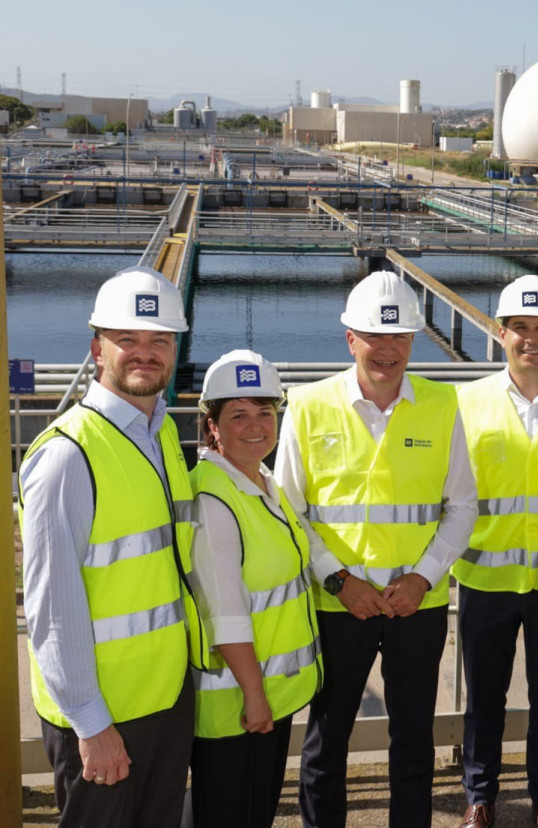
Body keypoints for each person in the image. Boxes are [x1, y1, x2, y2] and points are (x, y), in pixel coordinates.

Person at [274, 270, 479, 828]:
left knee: (413, 742)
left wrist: (425, 577)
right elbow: (291, 514)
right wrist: (339, 582)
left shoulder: (442, 405)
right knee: (325, 743)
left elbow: (461, 506)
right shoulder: (310, 406)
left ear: (412, 341)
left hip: (419, 605)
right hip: (339, 605)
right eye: (374, 336)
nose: (387, 350)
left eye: (399, 338)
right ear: (350, 339)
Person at [19, 266, 204, 827]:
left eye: (159, 341)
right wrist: (91, 723)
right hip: (103, 715)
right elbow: (52, 611)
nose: (144, 353)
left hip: (166, 696)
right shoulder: (67, 457)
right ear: (98, 348)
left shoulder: (164, 433)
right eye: (128, 340)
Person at [454, 276, 538, 828]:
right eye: (519, 328)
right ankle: (479, 797)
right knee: (485, 699)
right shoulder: (466, 402)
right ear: (500, 333)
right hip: (485, 582)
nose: (530, 338)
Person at [188, 350, 322, 828]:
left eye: (265, 412)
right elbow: (225, 610)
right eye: (238, 415)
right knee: (228, 815)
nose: (256, 426)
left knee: (253, 813)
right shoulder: (212, 499)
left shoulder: (263, 482)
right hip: (236, 704)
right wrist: (254, 694)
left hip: (266, 695)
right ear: (213, 427)